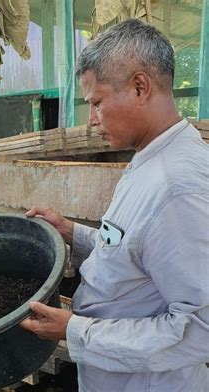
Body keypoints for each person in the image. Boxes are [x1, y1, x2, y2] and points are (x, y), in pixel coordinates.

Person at [21, 19, 209, 391]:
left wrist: (75, 330)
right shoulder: (151, 157)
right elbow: (137, 251)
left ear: (140, 87)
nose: (91, 121)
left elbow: (197, 330)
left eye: (97, 103)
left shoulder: (177, 186)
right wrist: (74, 234)